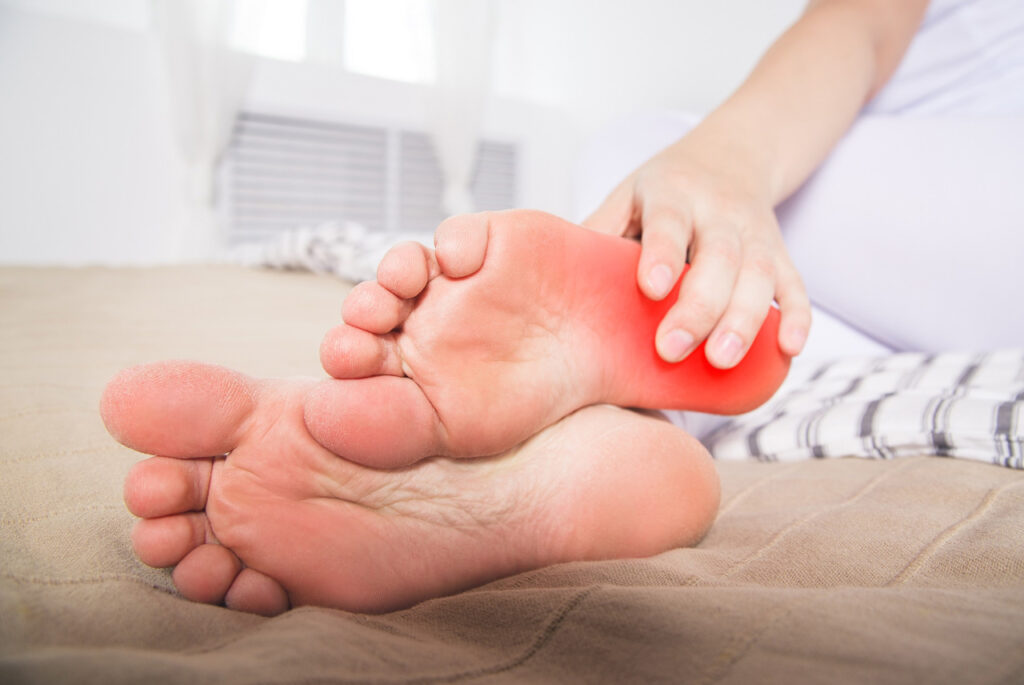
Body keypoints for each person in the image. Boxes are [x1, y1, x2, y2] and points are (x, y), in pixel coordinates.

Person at [103, 0, 938, 615]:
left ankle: (600, 427)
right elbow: (863, 19)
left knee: (673, 196)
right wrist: (723, 163)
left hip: (910, 207)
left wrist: (724, 161)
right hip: (872, 234)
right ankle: (606, 437)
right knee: (648, 160)